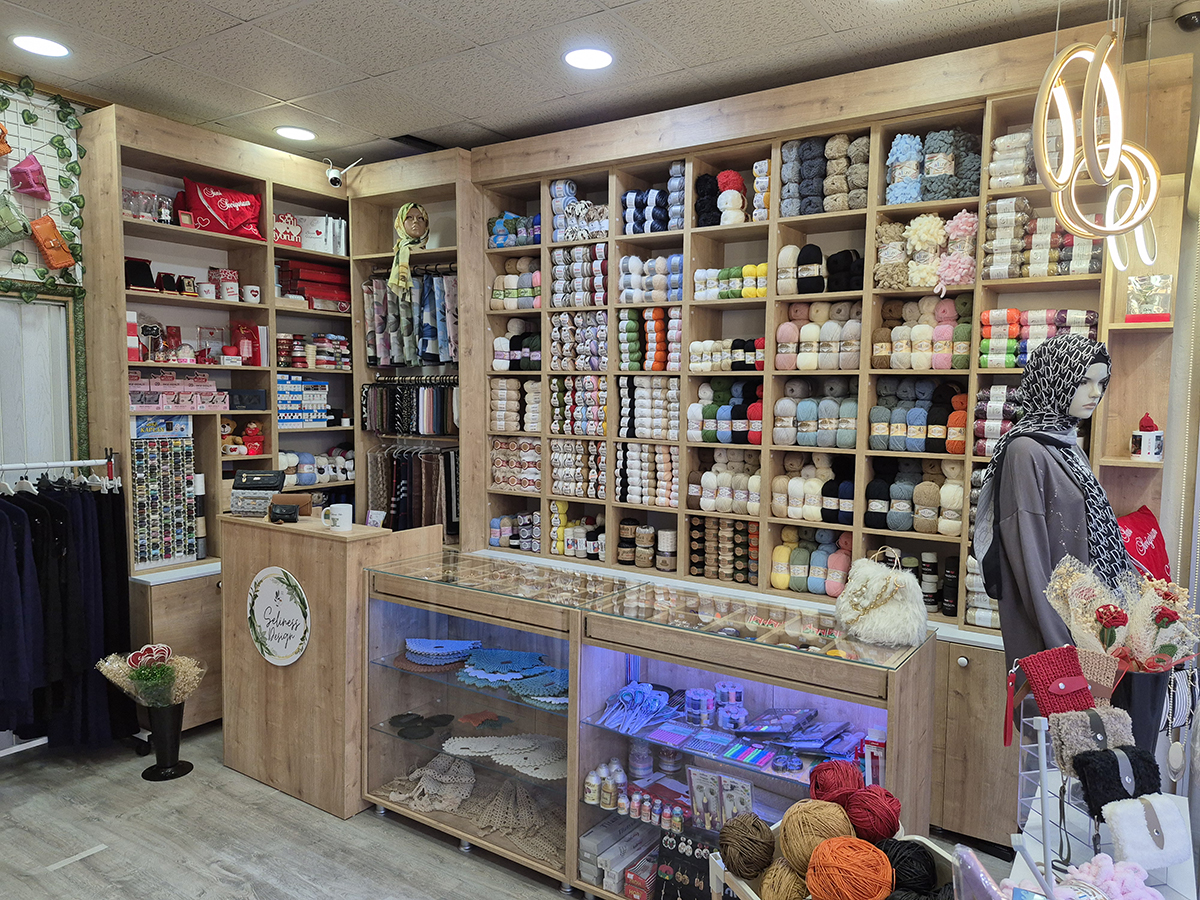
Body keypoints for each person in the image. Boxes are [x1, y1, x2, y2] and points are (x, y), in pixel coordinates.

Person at [980, 333, 1163, 747]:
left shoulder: (1066, 444)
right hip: (1057, 635)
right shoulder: (1025, 451)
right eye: (1083, 381)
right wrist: (1065, 652)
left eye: (1101, 382)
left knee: (1101, 753)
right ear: (1055, 379)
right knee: (1063, 755)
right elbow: (1029, 559)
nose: (1095, 393)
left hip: (1092, 628)